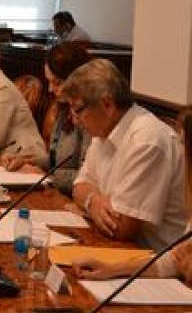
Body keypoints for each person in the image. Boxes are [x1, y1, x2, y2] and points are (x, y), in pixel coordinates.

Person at [62, 59, 185, 251]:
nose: (74, 121)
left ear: (107, 104)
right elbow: (79, 186)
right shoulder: (103, 131)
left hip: (158, 258)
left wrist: (87, 203)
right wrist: (93, 201)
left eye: (78, 110)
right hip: (121, 249)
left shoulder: (147, 140)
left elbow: (121, 228)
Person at [74, 108, 192, 282]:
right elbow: (173, 261)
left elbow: (122, 227)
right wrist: (110, 269)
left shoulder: (148, 139)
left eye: (184, 146)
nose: (181, 153)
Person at [1, 42, 92, 196]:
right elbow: (55, 161)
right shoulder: (63, 107)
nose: (50, 89)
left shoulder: (91, 116)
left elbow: (87, 178)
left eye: (57, 83)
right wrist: (26, 160)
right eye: (49, 81)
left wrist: (47, 177)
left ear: (77, 79)